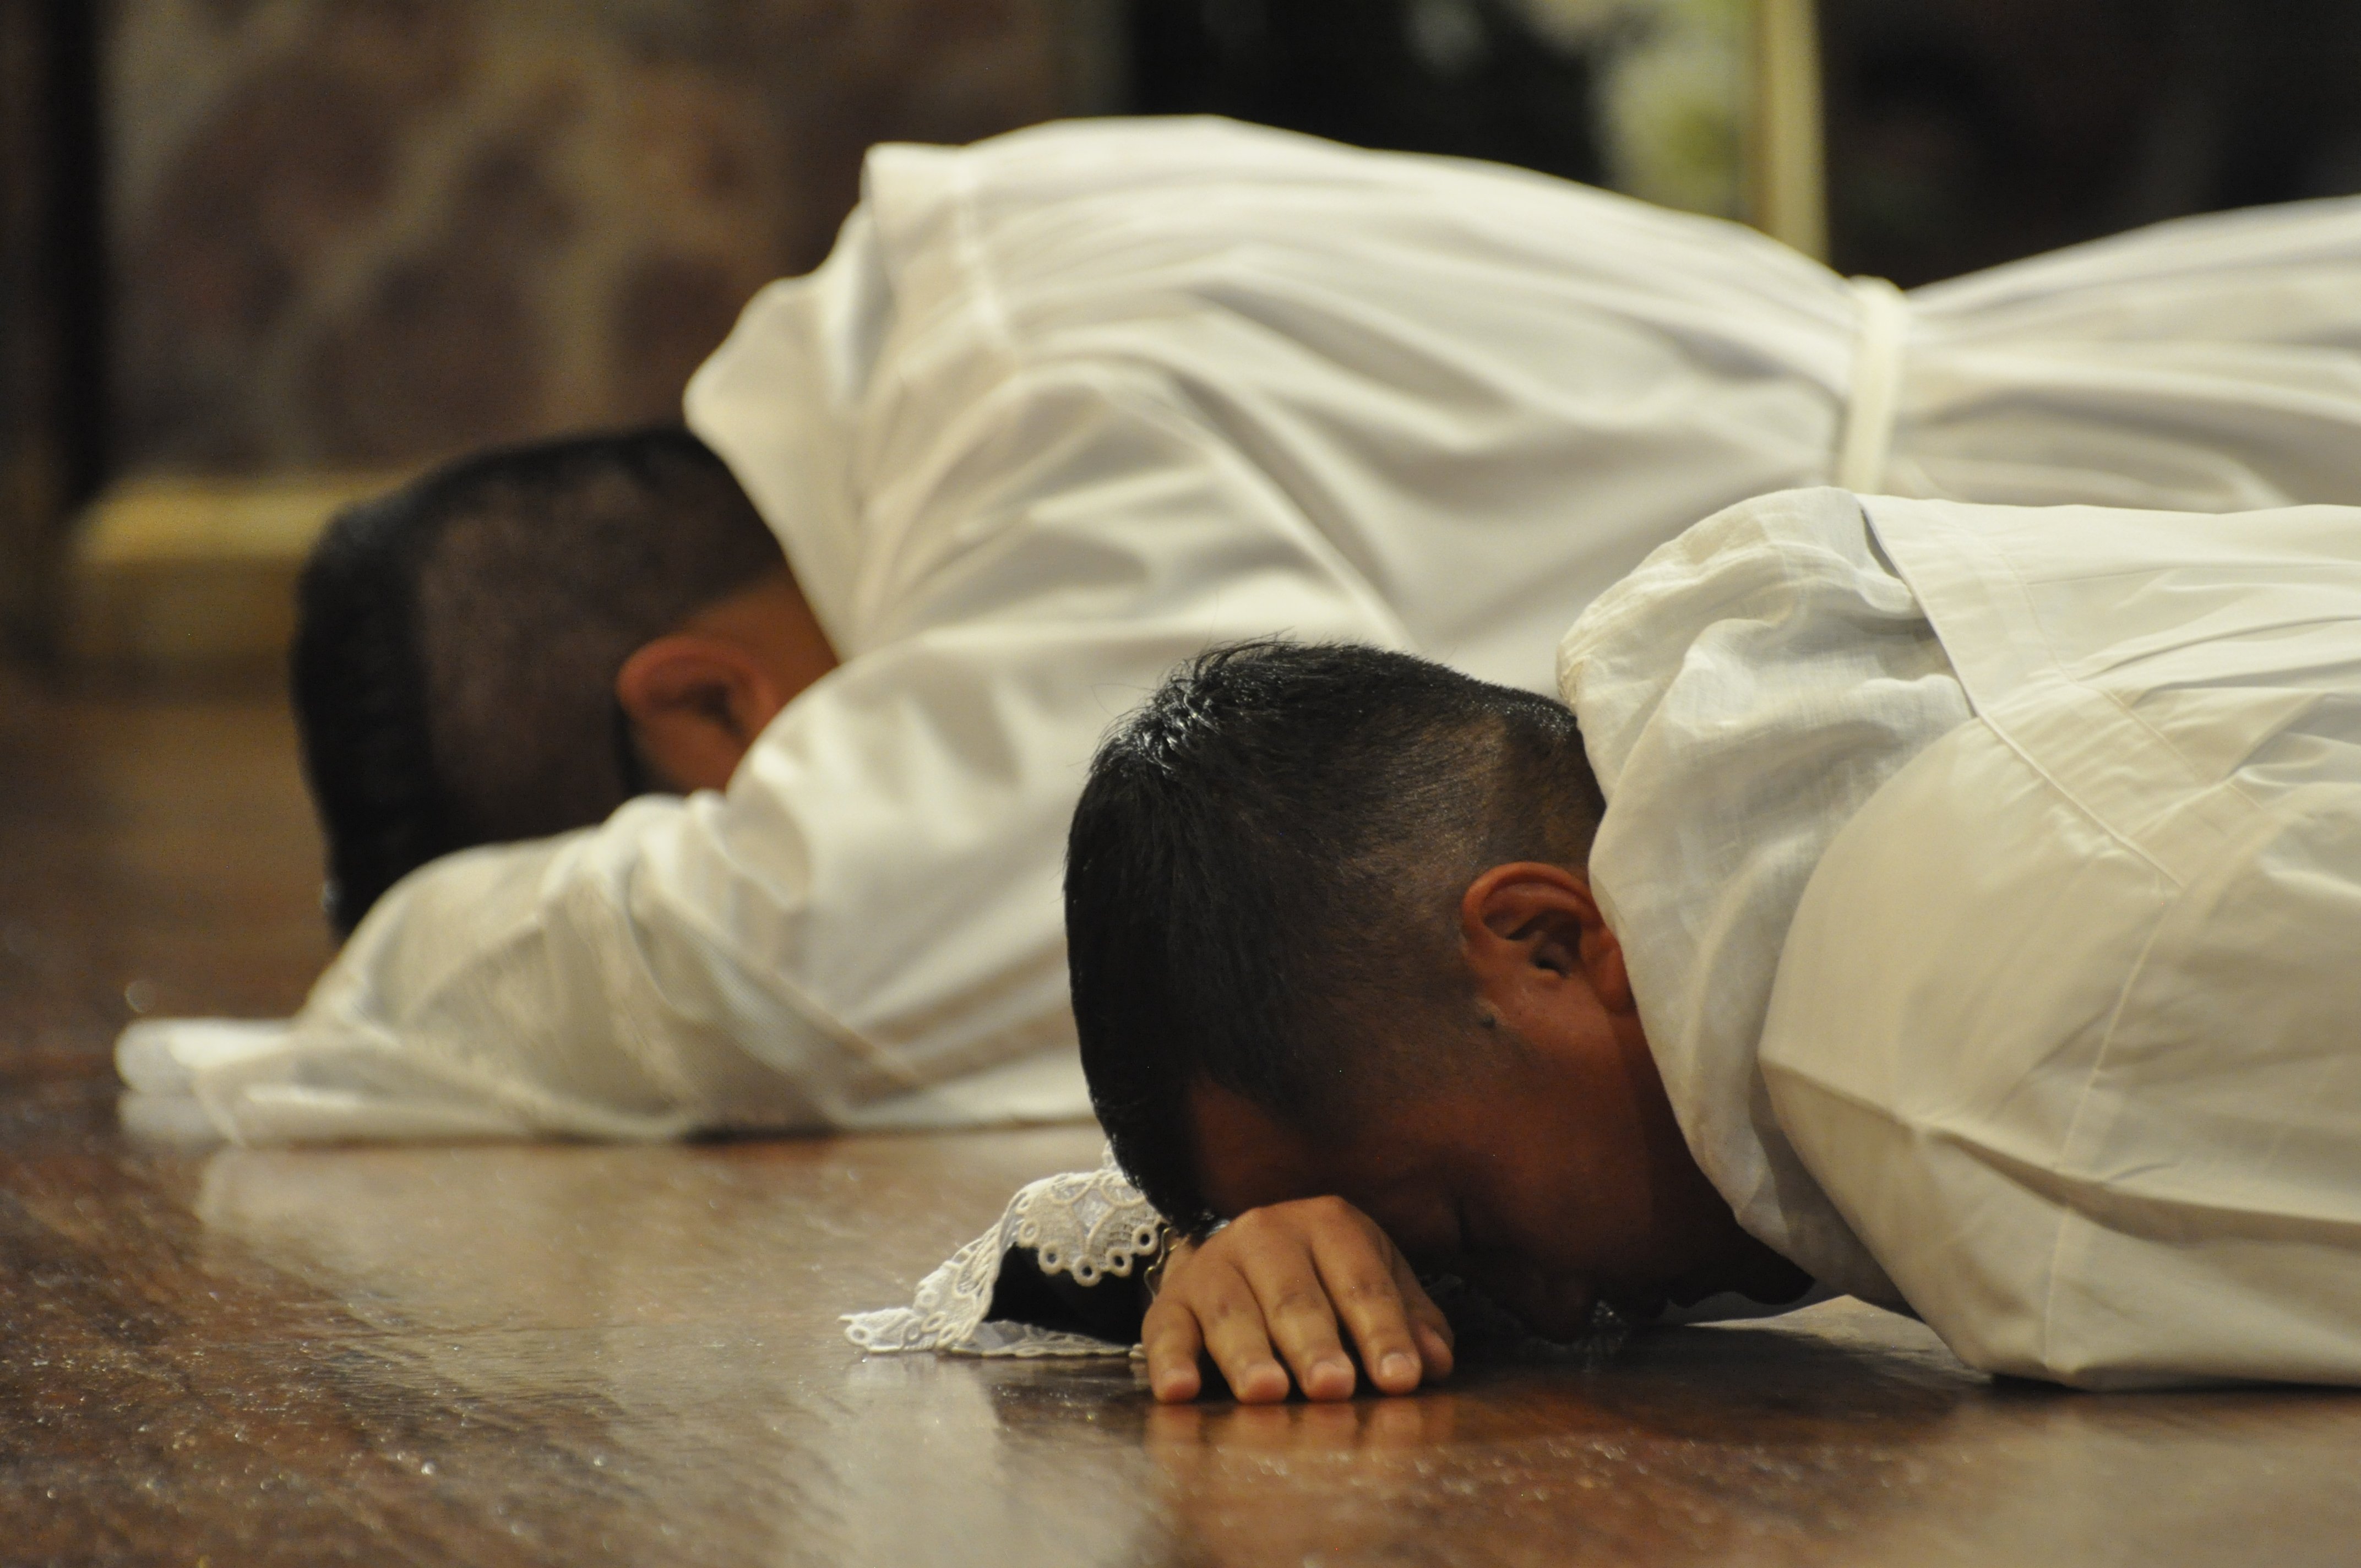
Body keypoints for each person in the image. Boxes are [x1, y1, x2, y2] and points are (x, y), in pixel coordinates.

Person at [119, 114, 2361, 1145]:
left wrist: (335, 1016)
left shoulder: (1048, 446)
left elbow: (780, 964)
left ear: (704, 706)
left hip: (2114, 538)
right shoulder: (968, 250)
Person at [1065, 486, 2361, 1401]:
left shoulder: (1969, 1059)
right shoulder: (1746, 693)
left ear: (1544, 940)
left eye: (1466, 1232)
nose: (1552, 1309)